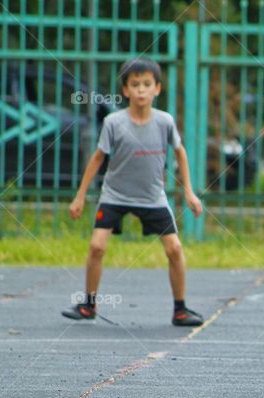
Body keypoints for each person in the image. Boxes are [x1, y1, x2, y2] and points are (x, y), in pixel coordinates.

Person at [63, 57, 204, 326]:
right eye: (135, 84)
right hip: (115, 194)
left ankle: (180, 309)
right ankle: (88, 305)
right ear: (126, 90)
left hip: (152, 196)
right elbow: (97, 159)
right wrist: (80, 195)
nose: (141, 89)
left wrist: (189, 193)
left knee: (174, 248)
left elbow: (180, 153)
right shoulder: (114, 122)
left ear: (157, 89)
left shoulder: (164, 122)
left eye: (147, 84)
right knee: (96, 246)